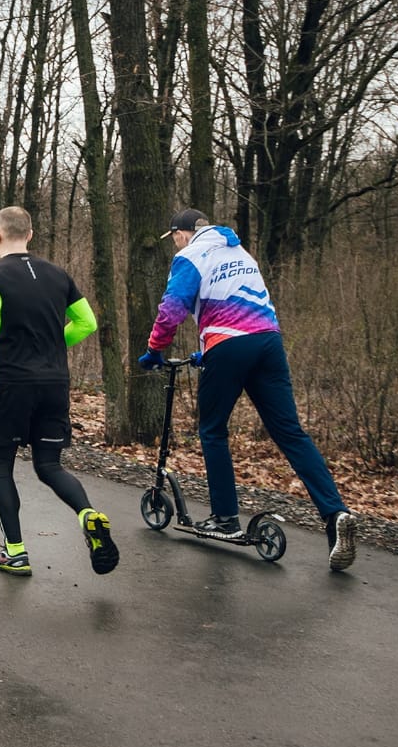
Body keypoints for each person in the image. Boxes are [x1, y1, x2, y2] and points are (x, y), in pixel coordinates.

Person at [139, 208, 358, 571]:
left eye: (174, 235)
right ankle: (335, 515)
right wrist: (208, 348)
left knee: (212, 430)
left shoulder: (190, 255)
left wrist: (154, 350)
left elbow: (173, 307)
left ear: (184, 232)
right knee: (291, 433)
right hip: (268, 342)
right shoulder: (241, 251)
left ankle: (225, 517)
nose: (174, 242)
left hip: (229, 344)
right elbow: (242, 303)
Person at [0, 206, 116, 576]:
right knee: (49, 464)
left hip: (15, 381)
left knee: (1, 466)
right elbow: (87, 322)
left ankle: (15, 552)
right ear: (31, 235)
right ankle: (88, 514)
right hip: (55, 382)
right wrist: (54, 345)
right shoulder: (58, 274)